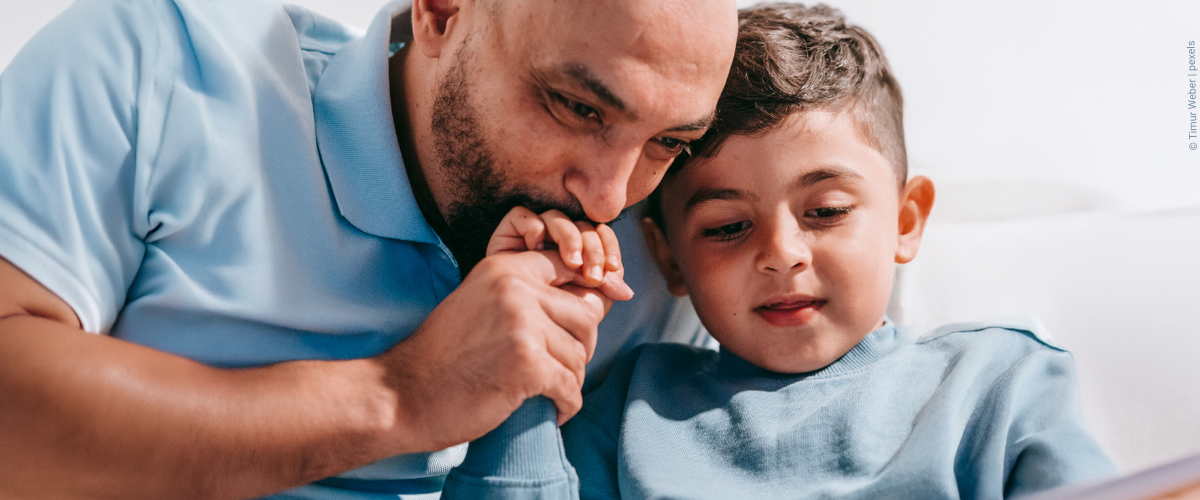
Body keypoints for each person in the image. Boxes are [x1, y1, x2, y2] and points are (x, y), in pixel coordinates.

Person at [0, 0, 737, 498]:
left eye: (668, 142)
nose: (608, 196)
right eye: (577, 106)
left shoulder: (667, 245)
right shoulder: (162, 62)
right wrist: (400, 395)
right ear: (444, 11)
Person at [441, 4, 1121, 499]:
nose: (782, 254)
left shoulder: (998, 382)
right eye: (728, 227)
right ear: (670, 257)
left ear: (906, 220)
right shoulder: (626, 412)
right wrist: (525, 386)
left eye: (825, 212)